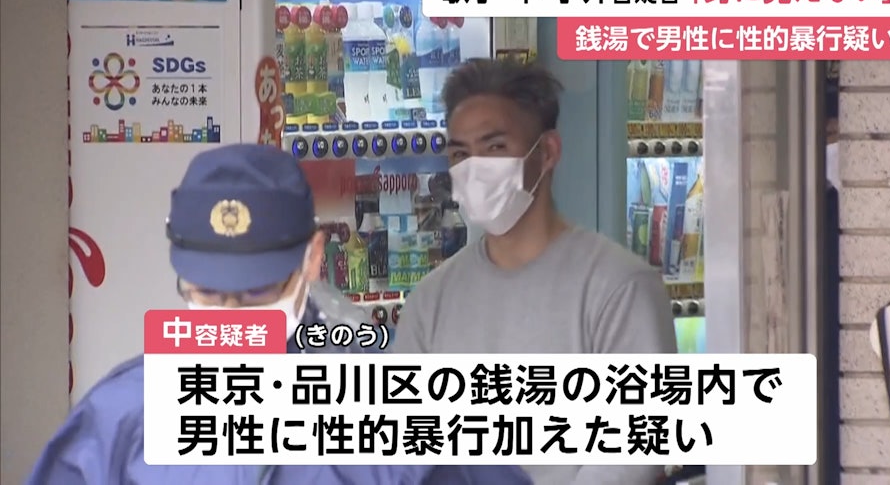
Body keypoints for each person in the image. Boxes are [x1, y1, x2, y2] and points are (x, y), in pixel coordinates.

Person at [29, 144, 532, 485]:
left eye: (257, 291)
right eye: (208, 293)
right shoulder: (120, 416)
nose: (231, 319)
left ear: (312, 258)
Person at [391, 59, 677, 485]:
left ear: (547, 152)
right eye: (460, 154)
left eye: (494, 148)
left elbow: (634, 450)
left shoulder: (619, 287)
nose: (474, 169)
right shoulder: (431, 300)